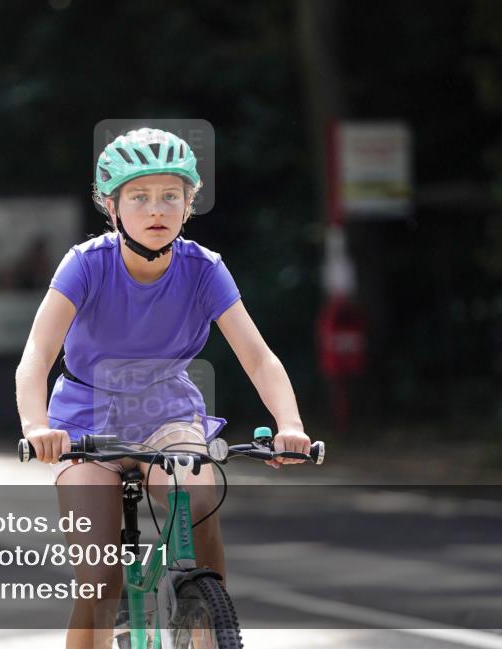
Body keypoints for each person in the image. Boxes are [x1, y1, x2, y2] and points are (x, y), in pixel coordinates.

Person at [15, 128, 311, 648]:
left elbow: (258, 357)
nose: (157, 209)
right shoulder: (86, 264)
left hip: (166, 414)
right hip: (85, 422)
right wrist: (38, 427)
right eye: (139, 196)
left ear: (188, 204)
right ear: (112, 207)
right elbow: (36, 356)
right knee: (100, 583)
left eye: (171, 195)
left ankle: (206, 613)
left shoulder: (204, 269)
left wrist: (290, 426)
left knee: (197, 498)